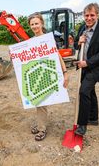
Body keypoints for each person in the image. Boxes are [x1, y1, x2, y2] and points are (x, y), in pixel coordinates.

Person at [27, 13, 69, 141]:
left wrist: (65, 72)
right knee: (39, 102)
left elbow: (58, 56)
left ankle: (42, 129)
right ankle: (41, 124)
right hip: (37, 74)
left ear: (41, 24)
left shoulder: (48, 39)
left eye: (36, 23)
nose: (35, 26)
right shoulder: (30, 42)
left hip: (47, 72)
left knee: (42, 102)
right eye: (32, 24)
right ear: (30, 26)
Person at [74, 3, 99, 136]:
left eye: (92, 15)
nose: (89, 18)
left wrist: (88, 63)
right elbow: (75, 45)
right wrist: (78, 42)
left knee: (84, 91)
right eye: (86, 15)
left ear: (97, 15)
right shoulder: (81, 28)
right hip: (83, 67)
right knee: (90, 91)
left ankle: (82, 124)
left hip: (97, 67)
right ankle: (93, 118)